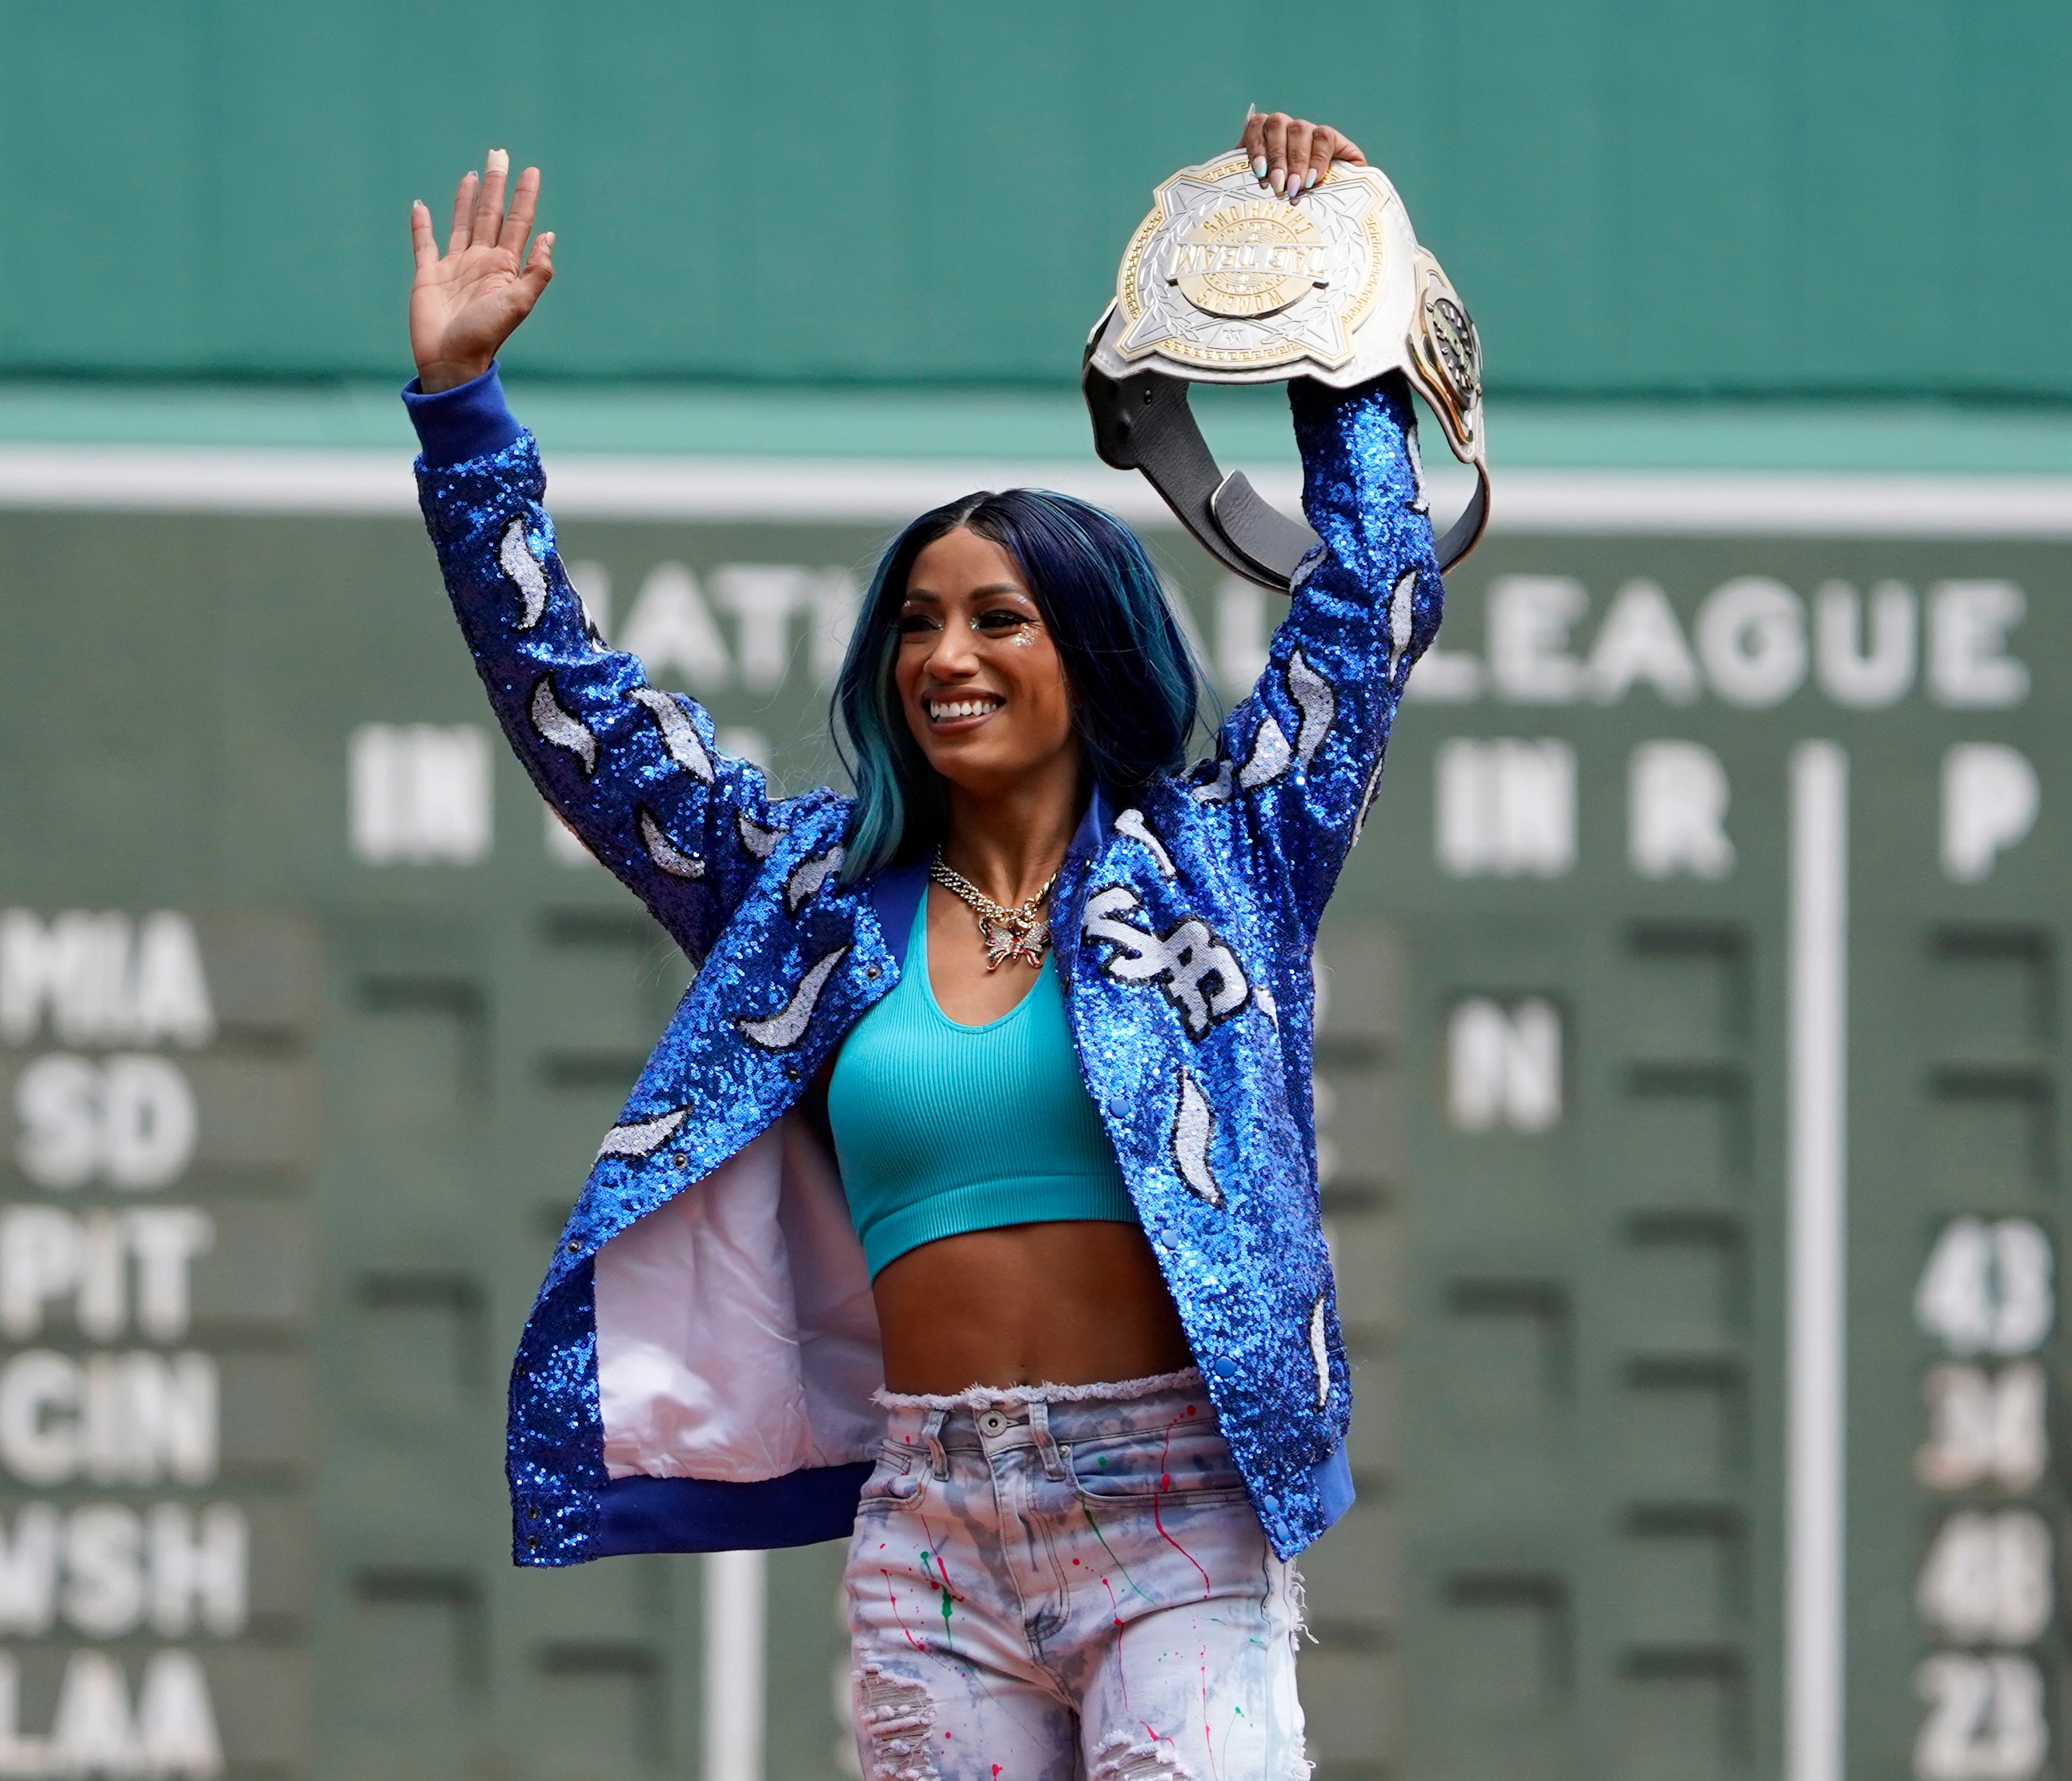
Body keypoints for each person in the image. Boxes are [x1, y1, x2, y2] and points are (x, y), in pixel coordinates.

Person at [403, 110, 1440, 1781]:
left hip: (1175, 1508)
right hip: (932, 1534)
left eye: (997, 618)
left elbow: (1367, 601)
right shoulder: (806, 899)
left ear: (1093, 651)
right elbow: (573, 712)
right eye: (916, 622)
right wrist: (464, 414)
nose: (944, 655)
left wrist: (1321, 301)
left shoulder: (1226, 856)